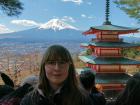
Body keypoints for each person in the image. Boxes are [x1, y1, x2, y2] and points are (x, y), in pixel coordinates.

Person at [20, 45, 93, 105]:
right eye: (51, 62)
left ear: (69, 66)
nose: (57, 68)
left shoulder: (83, 99)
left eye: (62, 62)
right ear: (44, 66)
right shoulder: (29, 100)